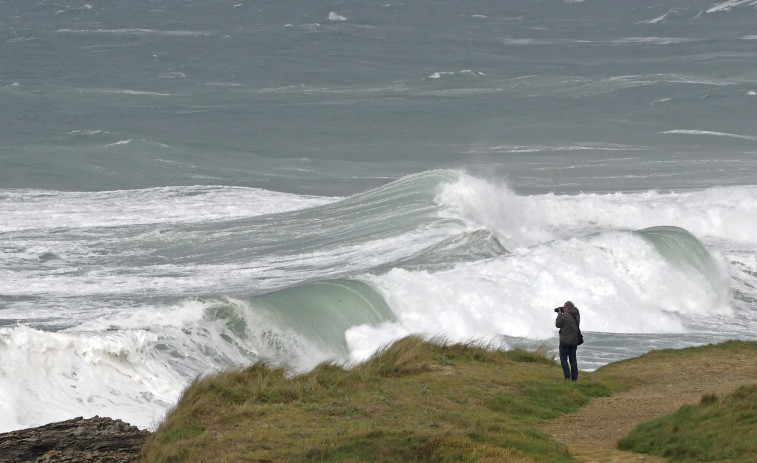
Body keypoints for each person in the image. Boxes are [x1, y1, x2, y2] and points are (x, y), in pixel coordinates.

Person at [555, 301, 580, 381]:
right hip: (574, 341)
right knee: (573, 360)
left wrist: (559, 315)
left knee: (563, 359)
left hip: (565, 341)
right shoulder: (577, 314)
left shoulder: (565, 315)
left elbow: (558, 324)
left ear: (566, 307)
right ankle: (574, 378)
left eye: (564, 307)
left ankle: (567, 376)